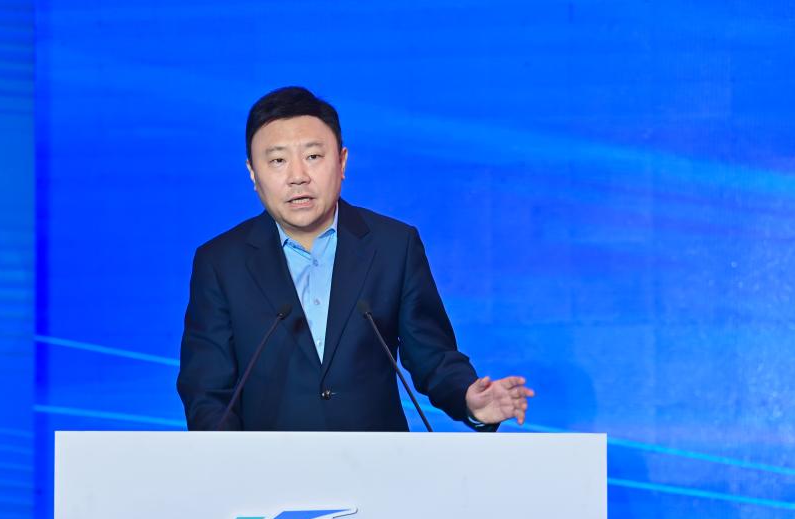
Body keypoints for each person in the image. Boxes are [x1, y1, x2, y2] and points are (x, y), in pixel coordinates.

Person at [177, 86, 533, 431]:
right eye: (278, 161)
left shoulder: (394, 246)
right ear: (254, 174)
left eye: (313, 157)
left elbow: (433, 357)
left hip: (377, 464)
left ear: (342, 161)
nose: (298, 177)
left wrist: (469, 400)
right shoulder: (221, 263)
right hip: (267, 468)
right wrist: (224, 459)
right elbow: (207, 391)